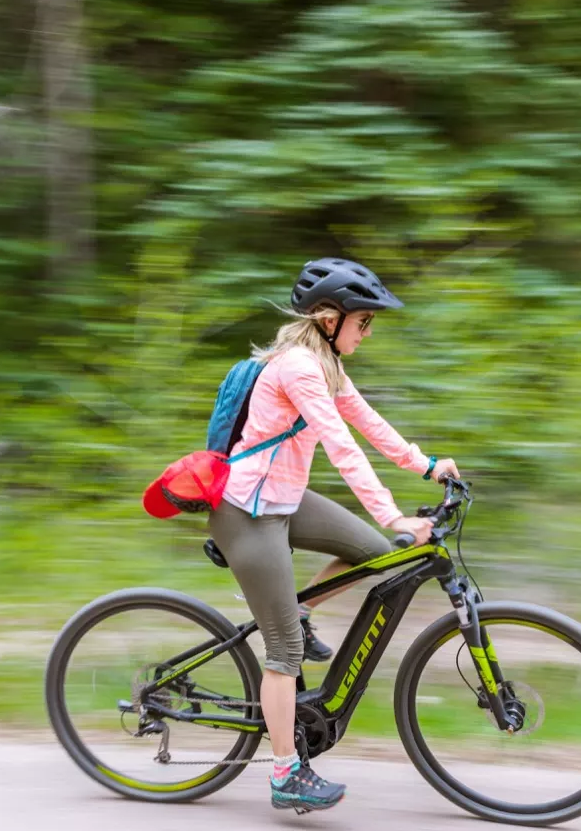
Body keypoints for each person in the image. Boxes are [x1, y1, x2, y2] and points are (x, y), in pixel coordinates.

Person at [207, 257, 461, 813]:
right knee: (286, 652)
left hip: (285, 500)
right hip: (248, 512)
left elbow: (369, 423)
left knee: (373, 553)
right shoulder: (298, 367)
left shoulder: (327, 365)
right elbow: (342, 447)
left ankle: (294, 610)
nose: (367, 333)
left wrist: (426, 463)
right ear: (328, 318)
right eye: (363, 322)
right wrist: (394, 515)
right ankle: (284, 772)